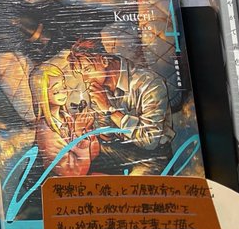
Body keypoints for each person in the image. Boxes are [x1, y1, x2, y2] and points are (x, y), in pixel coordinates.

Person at [67, 38, 175, 174]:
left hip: (154, 155)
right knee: (79, 168)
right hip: (120, 149)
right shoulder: (99, 88)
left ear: (104, 61)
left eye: (87, 70)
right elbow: (106, 135)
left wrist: (110, 110)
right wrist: (89, 127)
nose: (85, 79)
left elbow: (150, 140)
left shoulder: (149, 83)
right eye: (82, 74)